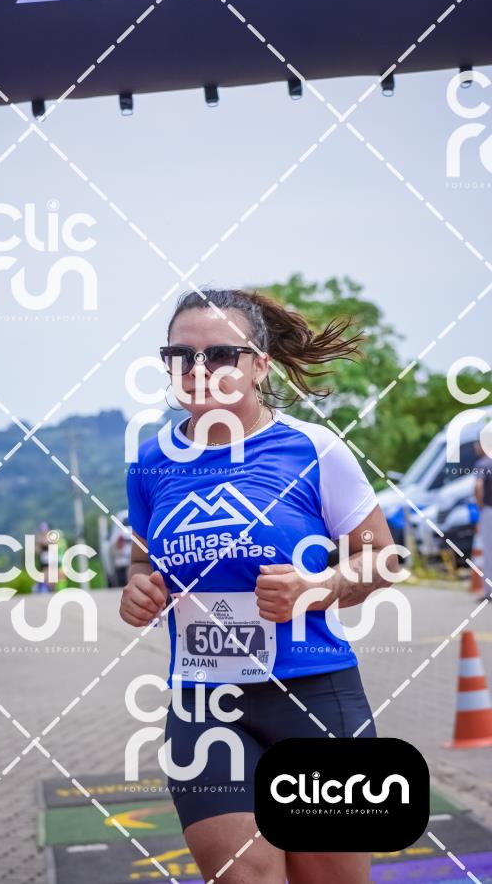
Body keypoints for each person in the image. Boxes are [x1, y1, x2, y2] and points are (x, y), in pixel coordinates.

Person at [120, 288, 399, 884]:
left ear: (259, 365)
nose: (198, 369)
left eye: (221, 354)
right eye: (180, 355)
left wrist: (320, 585)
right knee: (244, 875)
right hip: (203, 703)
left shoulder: (314, 448)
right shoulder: (149, 462)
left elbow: (383, 557)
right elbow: (143, 562)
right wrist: (139, 587)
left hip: (314, 695)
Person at [473, 440, 492, 600]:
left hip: (489, 510)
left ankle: (489, 591)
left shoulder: (483, 464)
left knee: (489, 551)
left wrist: (480, 505)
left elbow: (479, 486)